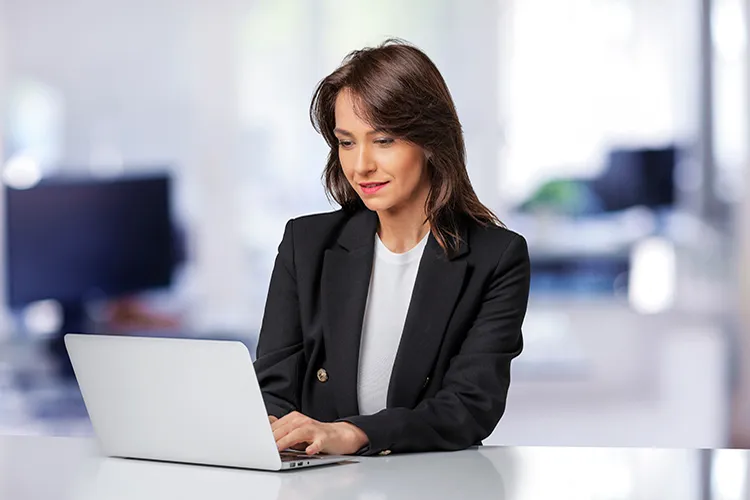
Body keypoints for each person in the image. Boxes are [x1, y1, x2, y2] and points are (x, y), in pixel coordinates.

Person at [254, 39, 531, 457]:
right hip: (319, 483)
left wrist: (356, 433)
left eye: (383, 140)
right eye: (347, 142)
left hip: (430, 484)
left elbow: (470, 407)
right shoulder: (304, 244)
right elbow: (272, 394)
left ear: (430, 140)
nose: (360, 165)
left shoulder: (496, 257)